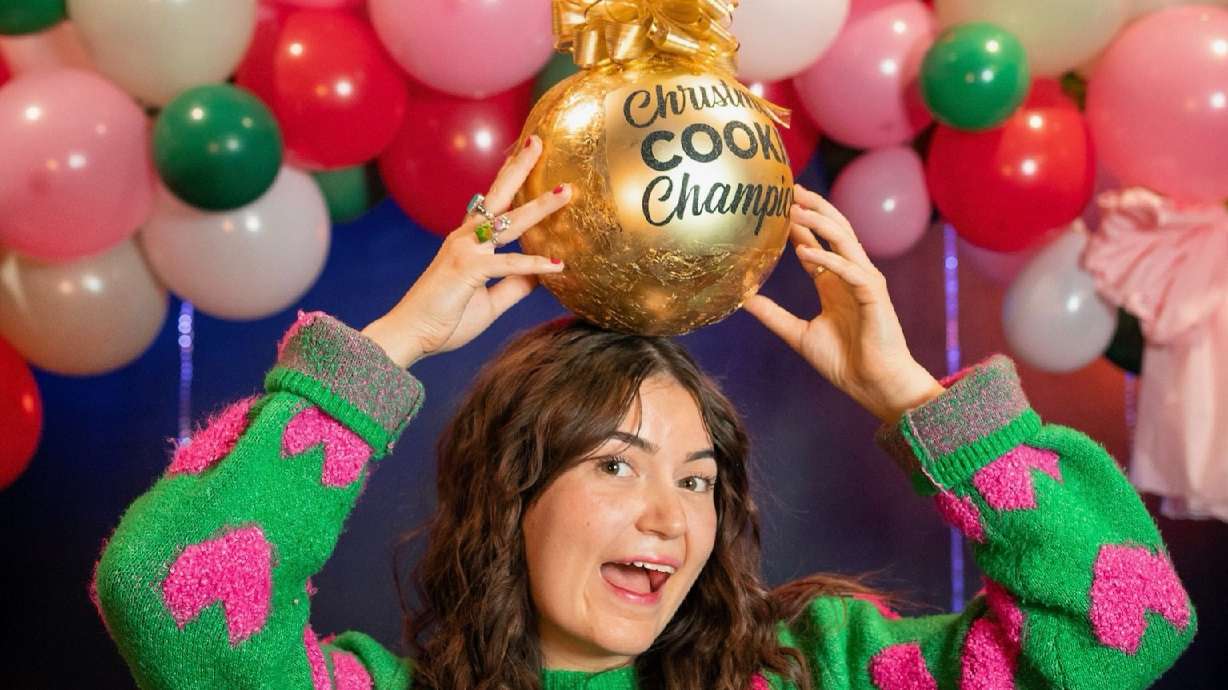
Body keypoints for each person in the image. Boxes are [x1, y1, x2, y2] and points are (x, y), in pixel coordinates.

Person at [91, 137, 1195, 690]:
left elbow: (1125, 621)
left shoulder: (819, 669)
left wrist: (911, 398)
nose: (673, 516)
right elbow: (169, 590)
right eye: (617, 466)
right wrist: (392, 349)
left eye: (698, 477)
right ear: (509, 495)